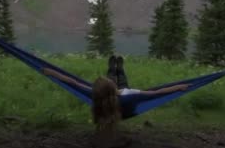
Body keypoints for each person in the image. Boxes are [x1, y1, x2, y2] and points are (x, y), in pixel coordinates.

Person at [42, 55, 190, 131]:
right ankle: (119, 68)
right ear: (113, 88)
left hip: (113, 95)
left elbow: (72, 82)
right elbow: (156, 92)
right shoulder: (131, 96)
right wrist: (178, 87)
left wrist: (53, 73)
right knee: (122, 79)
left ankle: (113, 67)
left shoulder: (94, 94)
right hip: (125, 94)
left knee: (112, 76)